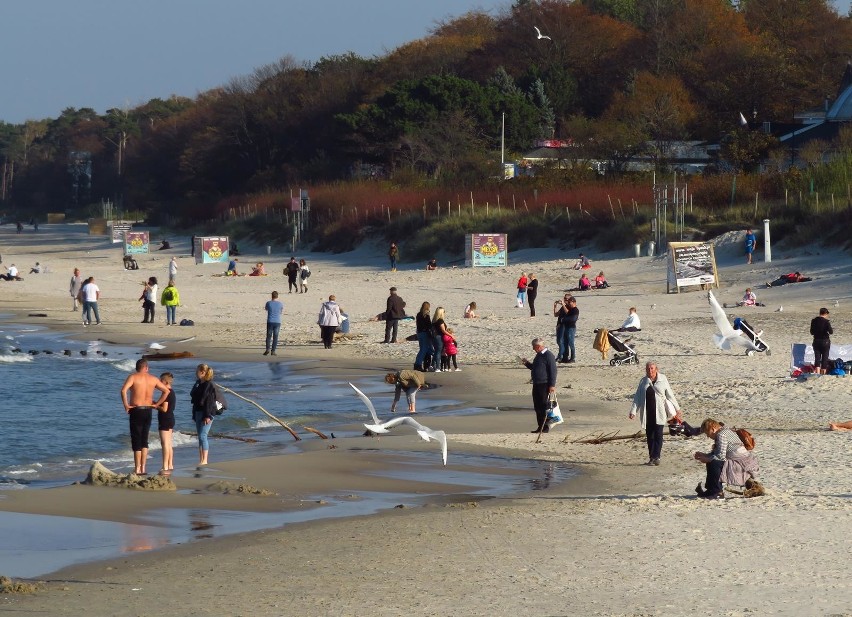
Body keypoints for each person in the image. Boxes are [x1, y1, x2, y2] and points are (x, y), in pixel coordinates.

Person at [120, 359, 171, 475]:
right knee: (144, 439)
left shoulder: (133, 377)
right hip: (148, 410)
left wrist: (126, 405)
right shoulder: (153, 379)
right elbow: (166, 391)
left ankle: (137, 469)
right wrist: (156, 404)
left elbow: (123, 391)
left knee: (136, 439)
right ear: (146, 368)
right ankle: (143, 468)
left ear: (137, 367)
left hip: (136, 410)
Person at [629, 361, 681, 466]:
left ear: (656, 369)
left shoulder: (663, 379)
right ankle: (651, 457)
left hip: (660, 412)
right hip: (647, 413)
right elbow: (637, 398)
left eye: (652, 368)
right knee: (650, 436)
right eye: (648, 369)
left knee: (658, 434)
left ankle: (656, 457)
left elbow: (670, 394)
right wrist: (633, 411)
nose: (650, 370)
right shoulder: (643, 381)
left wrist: (677, 409)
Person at [694, 418, 759, 499]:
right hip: (744, 461)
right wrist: (705, 455)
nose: (708, 436)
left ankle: (716, 491)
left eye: (708, 433)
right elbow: (718, 452)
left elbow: (720, 456)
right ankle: (712, 490)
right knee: (713, 461)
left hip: (741, 463)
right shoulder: (725, 430)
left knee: (714, 463)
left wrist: (707, 459)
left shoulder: (721, 435)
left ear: (713, 429)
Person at [521, 337, 558, 433]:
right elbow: (534, 367)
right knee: (537, 406)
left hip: (544, 384)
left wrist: (552, 385)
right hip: (537, 384)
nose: (533, 349)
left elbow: (553, 371)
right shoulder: (539, 355)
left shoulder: (548, 355)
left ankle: (545, 428)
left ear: (538, 346)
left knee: (543, 406)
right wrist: (526, 363)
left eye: (534, 347)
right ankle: (540, 427)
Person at [190, 363, 217, 465]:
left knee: (203, 436)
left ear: (202, 372)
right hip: (197, 411)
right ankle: (201, 459)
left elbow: (209, 401)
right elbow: (193, 396)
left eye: (197, 371)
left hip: (207, 413)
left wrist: (208, 415)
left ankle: (205, 460)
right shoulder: (198, 383)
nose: (195, 373)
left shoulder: (208, 384)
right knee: (200, 436)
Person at [156, 372, 176, 475]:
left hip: (165, 419)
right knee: (168, 443)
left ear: (165, 382)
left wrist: (154, 406)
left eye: (161, 381)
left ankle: (165, 466)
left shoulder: (167, 392)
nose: (159, 383)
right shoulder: (172, 392)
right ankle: (170, 464)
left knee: (165, 443)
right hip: (170, 418)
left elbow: (164, 409)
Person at [553, 295, 578, 363]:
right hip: (564, 327)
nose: (566, 300)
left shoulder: (573, 309)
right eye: (565, 299)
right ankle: (564, 357)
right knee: (564, 342)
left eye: (568, 299)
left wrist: (563, 305)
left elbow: (570, 315)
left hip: (570, 328)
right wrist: (555, 306)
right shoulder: (565, 307)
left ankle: (570, 357)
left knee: (569, 343)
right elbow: (556, 315)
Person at [810, 307, 833, 375]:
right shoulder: (826, 321)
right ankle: (823, 373)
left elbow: (811, 332)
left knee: (817, 358)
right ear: (825, 313)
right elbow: (831, 332)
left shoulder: (813, 320)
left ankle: (817, 373)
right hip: (825, 341)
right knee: (824, 358)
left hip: (816, 340)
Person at [414, 301, 433, 371]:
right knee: (424, 349)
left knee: (422, 349)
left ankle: (419, 364)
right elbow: (429, 325)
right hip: (424, 333)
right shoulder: (426, 315)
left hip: (419, 333)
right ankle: (418, 364)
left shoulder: (418, 314)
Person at [264, 291, 284, 356]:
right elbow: (281, 311)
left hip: (270, 321)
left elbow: (266, 309)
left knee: (268, 336)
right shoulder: (280, 304)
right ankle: (273, 351)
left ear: (271, 296)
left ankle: (267, 349)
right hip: (277, 321)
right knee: (275, 337)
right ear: (277, 296)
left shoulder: (268, 303)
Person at [430, 306, 449, 371]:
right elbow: (443, 330)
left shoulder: (434, 321)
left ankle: (432, 365)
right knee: (438, 352)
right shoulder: (440, 320)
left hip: (434, 337)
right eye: (444, 312)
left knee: (436, 351)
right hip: (439, 337)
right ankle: (437, 367)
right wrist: (451, 336)